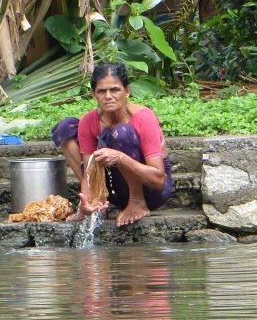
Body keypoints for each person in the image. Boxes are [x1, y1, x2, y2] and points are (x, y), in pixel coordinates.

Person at [51, 62, 174, 226]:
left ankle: (137, 202)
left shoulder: (144, 117)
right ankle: (97, 199)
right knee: (65, 127)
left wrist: (121, 158)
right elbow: (89, 171)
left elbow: (158, 180)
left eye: (115, 90)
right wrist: (85, 204)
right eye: (101, 91)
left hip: (152, 191)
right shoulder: (89, 121)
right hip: (115, 189)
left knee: (121, 132)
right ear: (93, 94)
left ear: (127, 91)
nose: (108, 96)